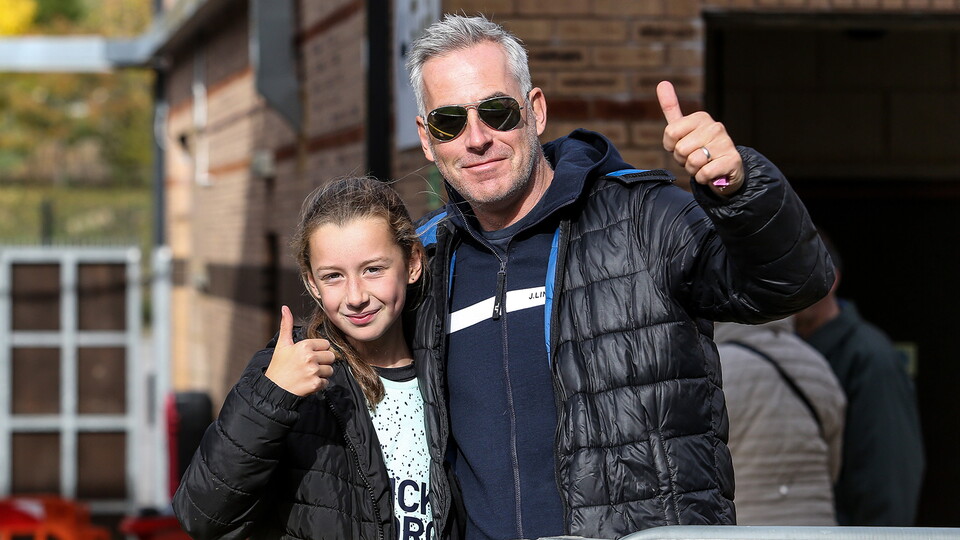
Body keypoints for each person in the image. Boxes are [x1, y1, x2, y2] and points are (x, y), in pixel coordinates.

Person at [405, 13, 834, 540]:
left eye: (497, 112)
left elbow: (792, 282)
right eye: (450, 122)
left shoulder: (644, 220)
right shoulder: (421, 263)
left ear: (535, 112)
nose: (477, 139)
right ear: (427, 139)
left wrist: (737, 186)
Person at [172, 177, 450, 539]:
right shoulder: (286, 374)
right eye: (333, 276)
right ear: (311, 283)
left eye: (373, 269)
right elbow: (201, 515)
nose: (355, 296)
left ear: (412, 262)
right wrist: (272, 397)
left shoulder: (448, 361)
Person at [795, 233, 925, 526]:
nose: (790, 287)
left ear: (832, 280)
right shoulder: (787, 350)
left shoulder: (869, 355)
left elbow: (888, 474)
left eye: (801, 273)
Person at [715, 316, 846, 525]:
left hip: (748, 525)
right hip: (816, 528)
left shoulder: (715, 369)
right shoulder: (819, 365)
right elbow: (834, 466)